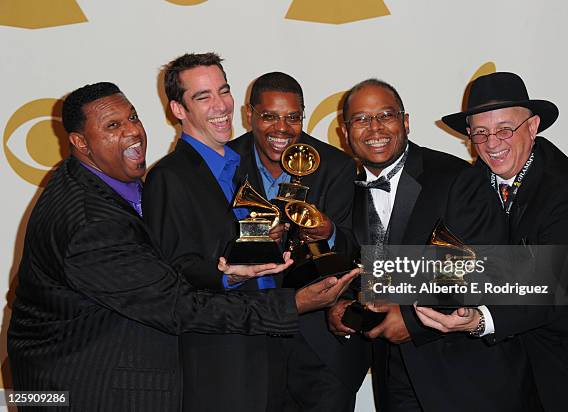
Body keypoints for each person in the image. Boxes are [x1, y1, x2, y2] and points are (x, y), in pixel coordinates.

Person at [7, 81, 357, 411]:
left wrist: (230, 275)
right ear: (81, 143)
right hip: (86, 388)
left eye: (132, 117)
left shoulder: (109, 183)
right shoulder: (91, 225)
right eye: (112, 126)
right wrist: (293, 304)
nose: (132, 131)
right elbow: (178, 306)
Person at [328, 78, 540, 411]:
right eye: (361, 119)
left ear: (406, 122)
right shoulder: (344, 191)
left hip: (465, 376)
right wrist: (344, 306)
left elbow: (487, 268)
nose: (374, 128)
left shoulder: (457, 178)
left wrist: (411, 319)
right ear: (345, 132)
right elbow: (365, 266)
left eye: (385, 115)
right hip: (393, 378)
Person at [415, 71, 568, 411]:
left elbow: (554, 289)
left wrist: (478, 320)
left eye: (505, 129)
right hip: (512, 367)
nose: (492, 144)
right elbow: (449, 251)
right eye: (480, 133)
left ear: (532, 127)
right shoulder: (473, 179)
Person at [228, 71, 366, 411]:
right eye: (269, 116)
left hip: (321, 348)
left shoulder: (336, 165)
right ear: (250, 115)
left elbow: (358, 248)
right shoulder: (224, 163)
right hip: (248, 344)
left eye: (293, 117)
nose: (282, 128)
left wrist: (329, 232)